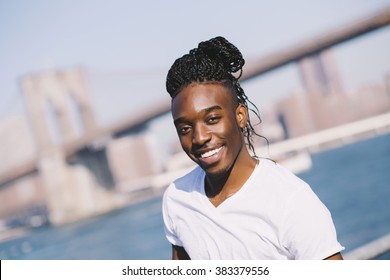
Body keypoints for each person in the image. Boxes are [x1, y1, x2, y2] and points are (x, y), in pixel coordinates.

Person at [162, 36, 344, 260]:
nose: (199, 138)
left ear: (240, 115)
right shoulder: (177, 198)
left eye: (212, 119)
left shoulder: (291, 200)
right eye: (185, 128)